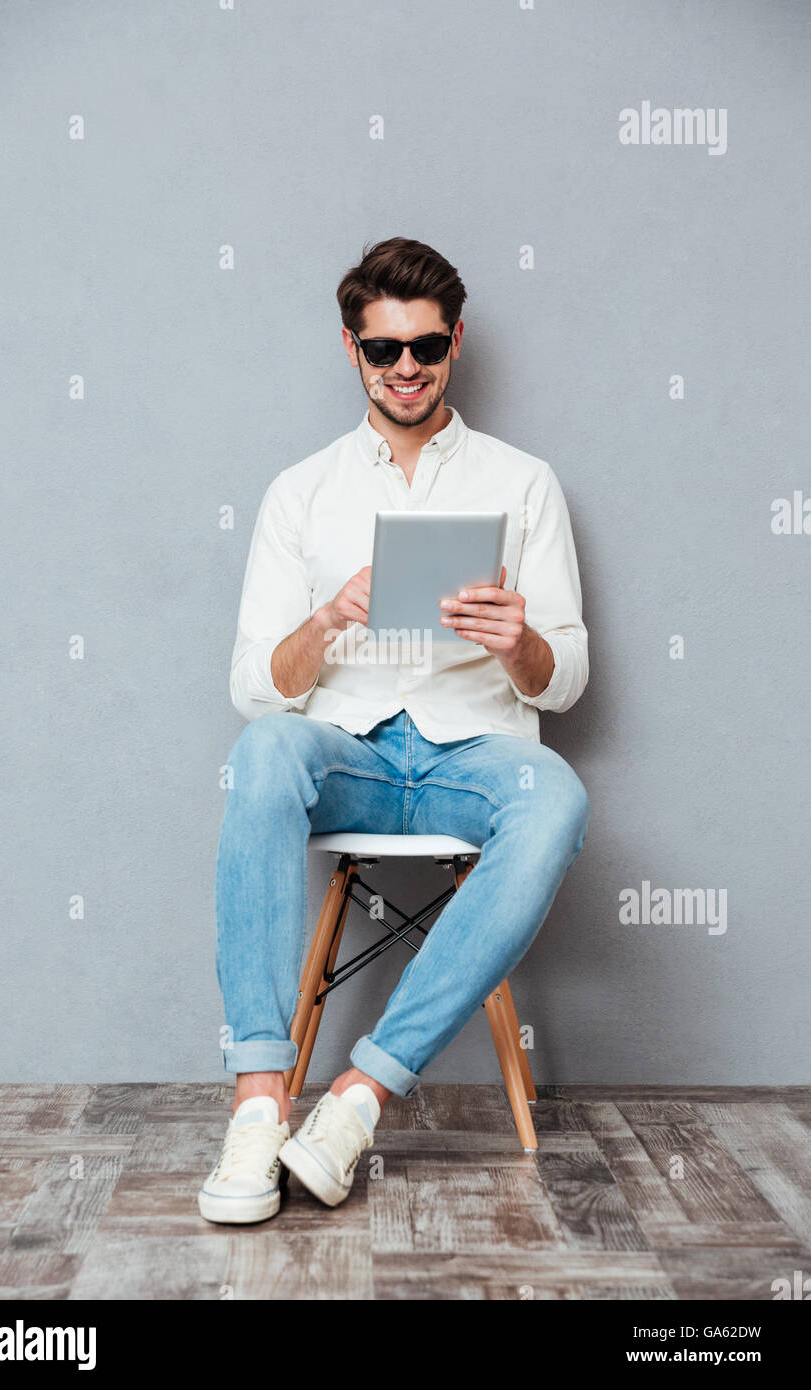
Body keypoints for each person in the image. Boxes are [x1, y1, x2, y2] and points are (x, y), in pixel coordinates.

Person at [199, 237, 590, 1224]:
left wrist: (518, 643)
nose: (404, 368)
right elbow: (255, 686)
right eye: (383, 350)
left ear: (454, 343)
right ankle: (256, 1105)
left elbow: (565, 682)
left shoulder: (523, 481)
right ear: (350, 350)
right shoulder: (301, 491)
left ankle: (357, 1098)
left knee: (557, 798)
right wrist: (326, 620)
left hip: (470, 755)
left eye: (424, 346)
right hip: (353, 756)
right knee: (263, 749)